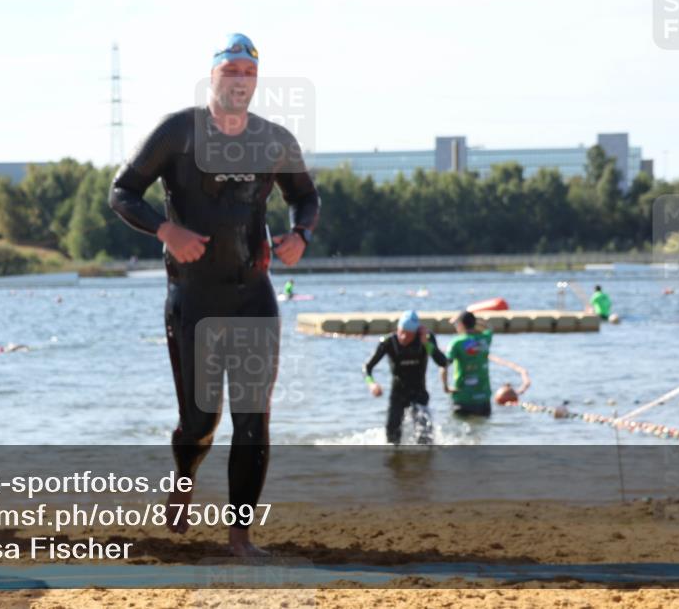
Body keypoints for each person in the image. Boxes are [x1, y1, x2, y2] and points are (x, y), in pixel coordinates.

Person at [108, 33, 320, 557]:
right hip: (193, 300)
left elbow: (305, 197)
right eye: (231, 71)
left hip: (253, 295)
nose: (240, 80)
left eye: (248, 72)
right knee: (201, 422)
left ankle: (240, 536)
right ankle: (183, 475)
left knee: (252, 417)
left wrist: (300, 236)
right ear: (213, 77)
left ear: (256, 81)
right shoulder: (179, 131)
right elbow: (122, 191)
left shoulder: (274, 140)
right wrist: (166, 232)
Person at [363, 310, 448, 444]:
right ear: (397, 328)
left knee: (425, 438)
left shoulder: (426, 339)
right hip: (398, 393)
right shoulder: (388, 341)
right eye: (401, 332)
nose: (403, 337)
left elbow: (443, 362)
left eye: (408, 335)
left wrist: (426, 343)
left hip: (419, 392)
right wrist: (371, 383)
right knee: (391, 438)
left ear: (416, 333)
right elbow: (367, 368)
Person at [440, 311, 493, 416]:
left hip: (463, 397)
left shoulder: (457, 343)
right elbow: (489, 327)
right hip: (483, 397)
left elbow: (444, 366)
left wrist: (446, 387)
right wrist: (474, 321)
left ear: (461, 325)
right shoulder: (485, 339)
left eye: (456, 324)